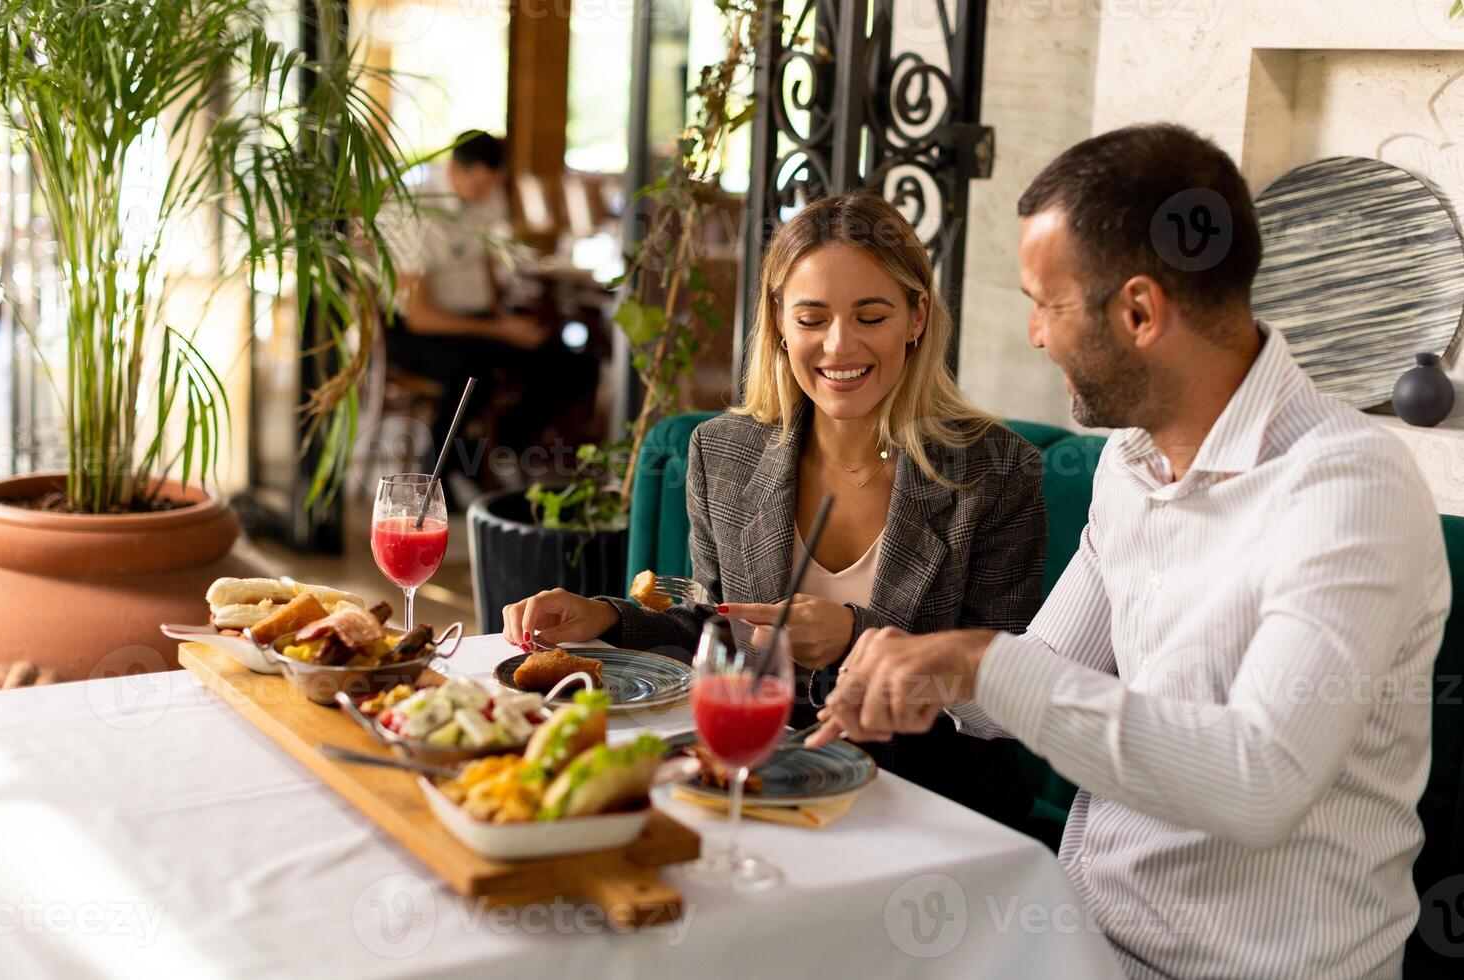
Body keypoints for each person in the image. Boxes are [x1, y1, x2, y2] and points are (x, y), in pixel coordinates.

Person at [808, 124, 1450, 978]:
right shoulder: (1130, 464)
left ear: (1140, 312)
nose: (1035, 334)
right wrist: (914, 660)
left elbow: (1259, 781)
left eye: (1048, 303)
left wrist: (977, 661)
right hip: (1082, 938)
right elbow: (1020, 687)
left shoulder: (1345, 487)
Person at [501, 193, 1047, 824]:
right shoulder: (723, 454)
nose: (839, 346)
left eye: (871, 317)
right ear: (780, 323)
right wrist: (606, 619)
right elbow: (717, 630)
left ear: (917, 316)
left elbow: (1006, 687)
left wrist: (854, 636)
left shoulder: (996, 473)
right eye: (812, 319)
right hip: (757, 779)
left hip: (929, 806)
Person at [387, 130, 598, 497]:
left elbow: (488, 264)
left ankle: (503, 450)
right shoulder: (414, 209)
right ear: (455, 168)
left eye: (492, 184)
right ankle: (440, 476)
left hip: (480, 322)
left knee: (576, 366)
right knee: (472, 370)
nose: (486, 192)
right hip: (416, 331)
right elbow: (418, 315)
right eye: (479, 183)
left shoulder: (490, 195)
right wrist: (501, 330)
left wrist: (502, 315)